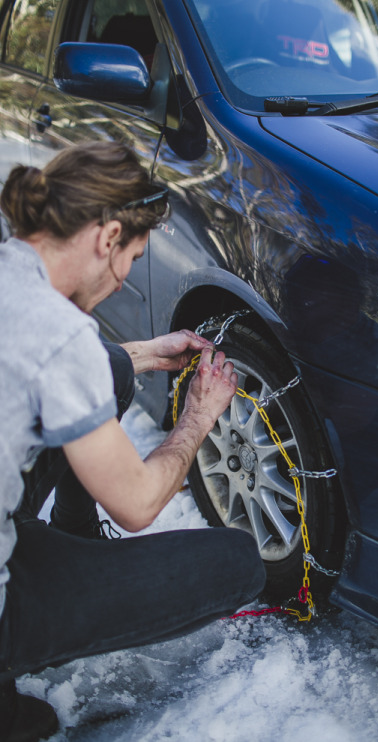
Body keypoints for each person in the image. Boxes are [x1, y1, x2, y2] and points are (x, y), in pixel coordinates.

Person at [0, 141, 266, 741]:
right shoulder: (61, 335)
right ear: (107, 235)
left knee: (111, 365)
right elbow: (140, 504)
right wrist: (197, 416)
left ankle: (68, 535)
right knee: (237, 562)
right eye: (131, 260)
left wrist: (141, 355)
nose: (124, 284)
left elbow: (44, 365)